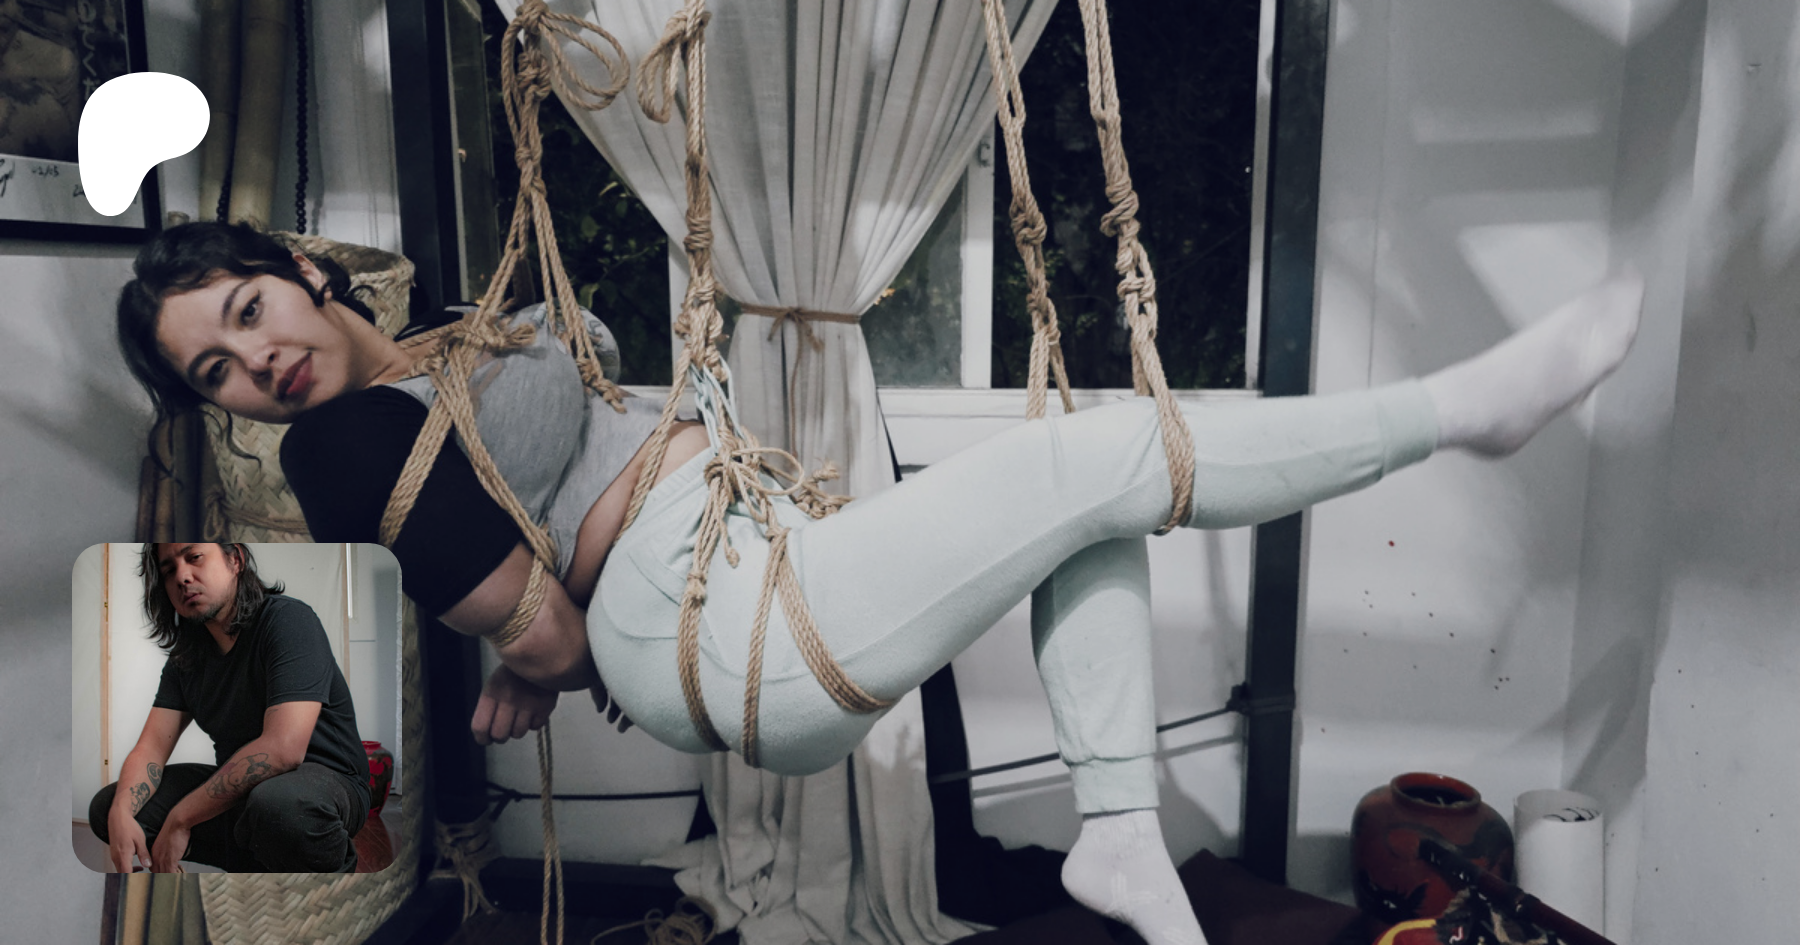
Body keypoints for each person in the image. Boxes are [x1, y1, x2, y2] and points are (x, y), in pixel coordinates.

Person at [117, 222, 1641, 942]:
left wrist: (538, 632)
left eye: (247, 311)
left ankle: (1120, 834)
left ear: (300, 273)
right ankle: (1463, 413)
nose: (258, 361)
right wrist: (537, 646)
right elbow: (554, 625)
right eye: (217, 373)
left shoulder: (441, 339)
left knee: (1084, 502)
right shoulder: (339, 448)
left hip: (739, 558)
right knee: (1111, 452)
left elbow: (529, 540)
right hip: (702, 620)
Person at [88, 542, 371, 873]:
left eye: (194, 557)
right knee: (108, 807)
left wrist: (180, 819)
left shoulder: (288, 621)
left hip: (324, 787)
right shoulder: (186, 658)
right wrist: (121, 811)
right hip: (246, 793)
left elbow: (283, 749)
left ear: (235, 560)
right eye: (169, 570)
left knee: (279, 805)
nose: (182, 577)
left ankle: (335, 879)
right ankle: (256, 864)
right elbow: (150, 748)